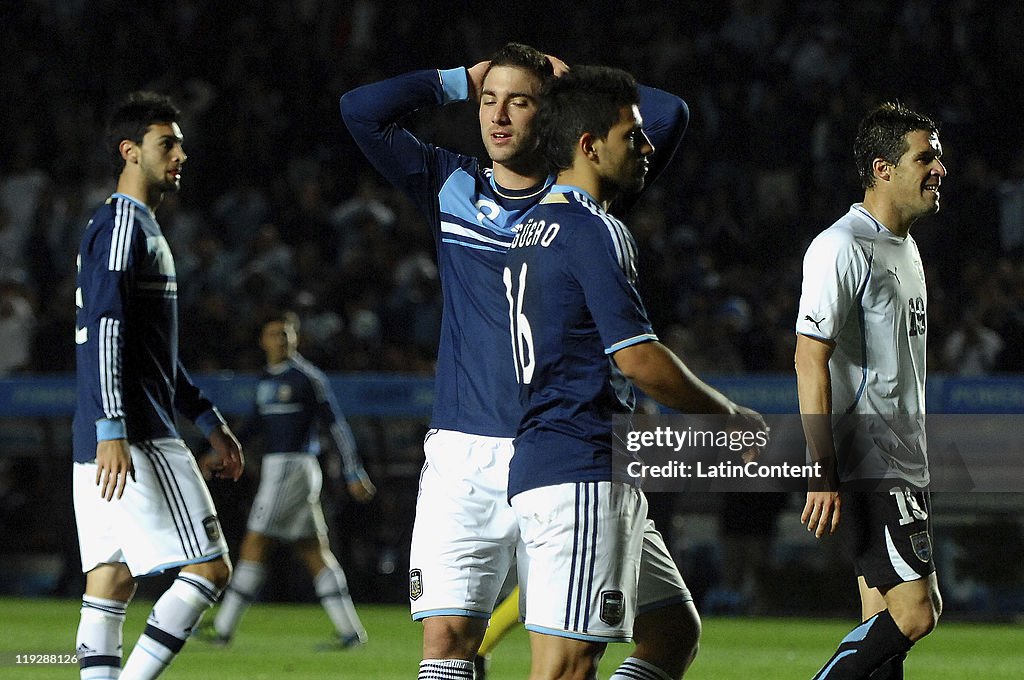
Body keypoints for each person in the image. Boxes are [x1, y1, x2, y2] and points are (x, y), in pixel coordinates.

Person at [341, 43, 697, 680]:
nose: (498, 116)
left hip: (568, 451)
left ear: (554, 116)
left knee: (670, 632)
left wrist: (578, 79)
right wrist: (458, 78)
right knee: (448, 642)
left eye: (521, 101)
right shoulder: (452, 184)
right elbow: (359, 112)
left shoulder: (584, 202)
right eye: (488, 101)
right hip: (467, 453)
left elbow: (668, 115)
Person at [505, 64, 765, 680]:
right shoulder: (596, 231)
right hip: (584, 468)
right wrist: (727, 418)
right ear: (589, 146)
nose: (649, 147)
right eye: (633, 135)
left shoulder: (528, 228)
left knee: (673, 630)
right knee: (567, 667)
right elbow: (637, 357)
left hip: (557, 457)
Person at [72, 91, 244, 680]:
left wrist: (208, 419)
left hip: (100, 437)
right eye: (166, 143)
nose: (181, 154)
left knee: (110, 582)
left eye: (180, 143)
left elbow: (153, 353)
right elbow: (105, 330)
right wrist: (114, 428)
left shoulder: (132, 226)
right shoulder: (125, 224)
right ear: (130, 151)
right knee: (208, 569)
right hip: (135, 433)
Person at [795, 102, 946, 679]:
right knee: (917, 611)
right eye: (924, 157)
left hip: (904, 456)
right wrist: (821, 469)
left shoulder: (904, 246)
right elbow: (810, 358)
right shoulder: (841, 246)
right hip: (871, 458)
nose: (938, 170)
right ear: (882, 169)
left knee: (881, 616)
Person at [194, 311, 376, 647]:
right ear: (263, 341)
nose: (281, 340)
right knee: (313, 551)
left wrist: (353, 470)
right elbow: (254, 426)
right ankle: (351, 631)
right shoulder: (266, 379)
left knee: (255, 543)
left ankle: (222, 629)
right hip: (282, 470)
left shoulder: (307, 377)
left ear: (296, 338)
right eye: (275, 334)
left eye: (287, 334)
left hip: (293, 468)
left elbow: (336, 426)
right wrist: (223, 450)